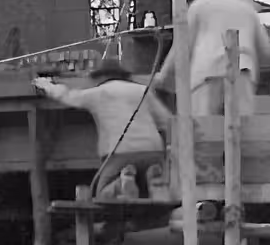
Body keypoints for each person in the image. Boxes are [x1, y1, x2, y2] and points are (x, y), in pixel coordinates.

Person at [33, 64, 173, 194]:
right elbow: (167, 120)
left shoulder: (100, 92)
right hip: (153, 151)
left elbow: (69, 96)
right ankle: (152, 181)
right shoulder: (142, 90)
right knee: (151, 191)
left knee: (102, 194)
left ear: (101, 77)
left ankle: (120, 183)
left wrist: (45, 85)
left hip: (120, 153)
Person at [153, 0, 270, 117]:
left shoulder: (200, 5)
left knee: (205, 127)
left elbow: (181, 48)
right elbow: (266, 51)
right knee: (242, 127)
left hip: (207, 76)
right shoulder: (248, 9)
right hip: (242, 72)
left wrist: (162, 78)